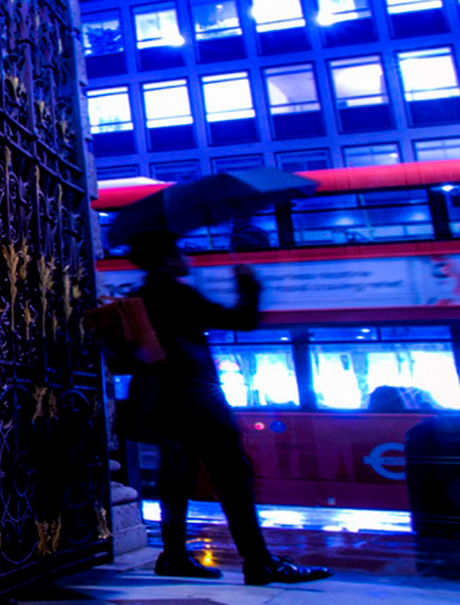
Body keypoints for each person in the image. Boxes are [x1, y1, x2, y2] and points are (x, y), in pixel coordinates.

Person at [118, 230, 332, 586]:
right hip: (198, 398)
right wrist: (248, 286)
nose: (187, 257)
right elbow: (243, 320)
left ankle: (173, 555)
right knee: (233, 477)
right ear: (167, 259)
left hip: (162, 401)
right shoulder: (176, 293)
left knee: (176, 480)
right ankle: (259, 561)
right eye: (180, 251)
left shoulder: (140, 296)